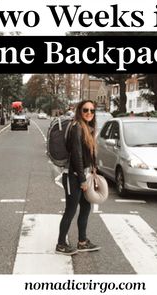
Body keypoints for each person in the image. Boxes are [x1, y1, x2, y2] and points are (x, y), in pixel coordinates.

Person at [56, 100, 101, 256]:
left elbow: (88, 154)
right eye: (85, 110)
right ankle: (61, 244)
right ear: (79, 111)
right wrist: (82, 179)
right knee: (71, 210)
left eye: (92, 110)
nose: (89, 113)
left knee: (86, 207)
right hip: (73, 177)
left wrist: (94, 169)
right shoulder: (77, 128)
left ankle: (82, 242)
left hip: (83, 175)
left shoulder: (88, 129)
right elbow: (77, 156)